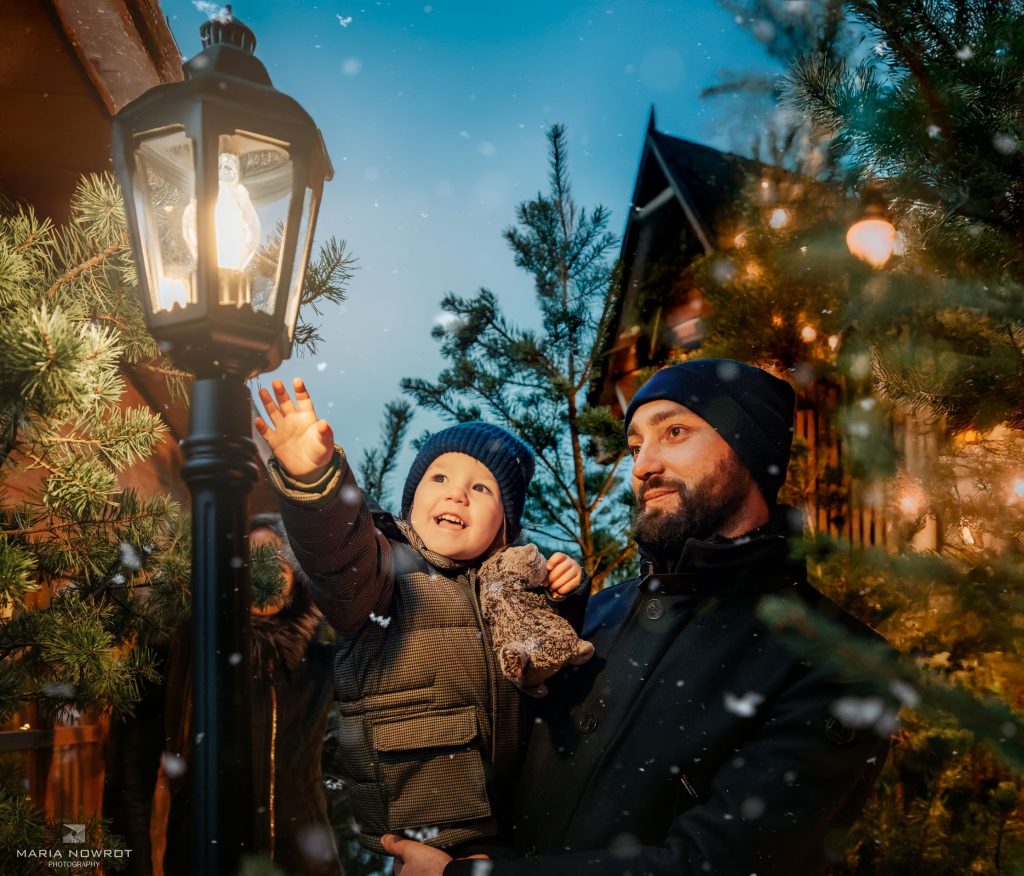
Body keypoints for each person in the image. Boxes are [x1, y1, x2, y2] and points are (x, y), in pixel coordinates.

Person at [385, 359, 895, 876]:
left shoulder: (843, 668)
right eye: (634, 447)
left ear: (749, 447)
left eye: (674, 432)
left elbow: (720, 864)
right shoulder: (593, 614)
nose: (642, 465)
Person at [253, 378, 591, 856]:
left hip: (510, 821)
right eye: (440, 478)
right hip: (422, 819)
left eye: (480, 487)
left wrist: (564, 593)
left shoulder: (506, 583)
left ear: (504, 527)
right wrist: (315, 480)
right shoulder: (384, 569)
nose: (457, 495)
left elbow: (549, 667)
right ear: (411, 501)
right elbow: (336, 552)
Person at [162, 513, 341, 876]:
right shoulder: (194, 649)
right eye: (251, 558)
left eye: (278, 562)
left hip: (304, 863)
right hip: (206, 859)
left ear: (295, 581)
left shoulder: (321, 658)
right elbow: (131, 775)